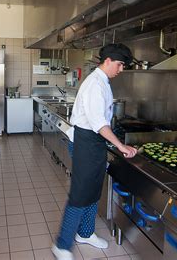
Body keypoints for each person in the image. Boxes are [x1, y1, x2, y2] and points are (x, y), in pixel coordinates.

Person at [52, 43, 138, 260]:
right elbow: (99, 123)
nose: (121, 70)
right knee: (81, 193)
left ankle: (85, 233)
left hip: (95, 143)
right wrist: (121, 145)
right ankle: (62, 245)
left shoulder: (103, 82)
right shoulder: (94, 85)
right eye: (119, 65)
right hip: (86, 142)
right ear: (108, 61)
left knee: (93, 190)